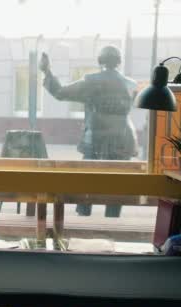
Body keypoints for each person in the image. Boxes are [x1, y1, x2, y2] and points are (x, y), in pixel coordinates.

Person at [39, 45, 139, 217]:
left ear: (100, 61)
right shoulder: (131, 84)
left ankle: (83, 220)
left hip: (97, 139)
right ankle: (112, 223)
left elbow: (60, 92)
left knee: (86, 183)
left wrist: (46, 71)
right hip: (124, 141)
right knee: (116, 186)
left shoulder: (91, 81)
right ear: (119, 61)